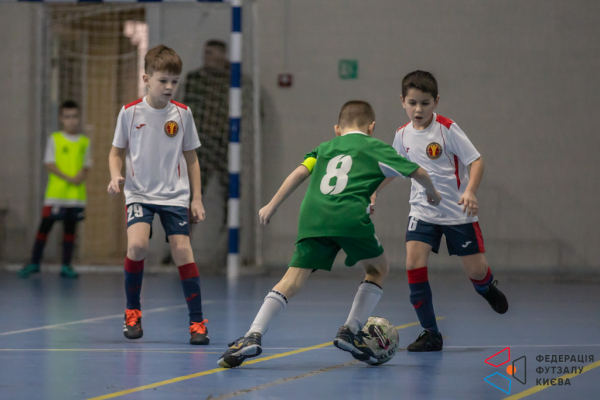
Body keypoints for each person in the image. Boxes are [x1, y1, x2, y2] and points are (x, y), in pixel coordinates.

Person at [217, 100, 441, 368]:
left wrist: (272, 205)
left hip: (313, 216)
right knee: (378, 269)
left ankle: (252, 334)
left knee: (292, 279)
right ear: (371, 127)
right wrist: (432, 193)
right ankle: (350, 330)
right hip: (349, 217)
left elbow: (298, 174)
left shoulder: (324, 148)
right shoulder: (376, 147)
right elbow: (418, 171)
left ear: (337, 129)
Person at [373, 70, 508, 352]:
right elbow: (393, 169)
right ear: (402, 101)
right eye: (412, 103)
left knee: (477, 271)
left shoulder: (447, 129)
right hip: (422, 211)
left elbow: (476, 161)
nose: (418, 109)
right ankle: (431, 333)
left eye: (425, 103)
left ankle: (485, 287)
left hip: (457, 212)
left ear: (436, 101)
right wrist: (373, 191)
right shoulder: (402, 134)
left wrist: (470, 191)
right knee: (413, 264)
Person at [107, 45, 209, 345]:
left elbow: (192, 158)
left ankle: (197, 322)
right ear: (146, 79)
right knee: (137, 246)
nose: (169, 86)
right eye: (163, 80)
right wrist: (115, 176)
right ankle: (132, 311)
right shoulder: (129, 113)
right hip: (139, 193)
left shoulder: (183, 114)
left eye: (174, 81)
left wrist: (196, 198)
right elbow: (116, 152)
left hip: (174, 196)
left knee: (183, 252)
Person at [18, 100, 91, 279]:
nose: (71, 120)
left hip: (76, 196)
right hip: (56, 195)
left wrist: (80, 175)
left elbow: (87, 164)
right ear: (61, 119)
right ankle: (34, 262)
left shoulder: (84, 141)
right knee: (45, 227)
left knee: (70, 230)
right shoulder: (55, 139)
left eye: (74, 116)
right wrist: (69, 178)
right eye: (67, 117)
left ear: (79, 117)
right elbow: (49, 163)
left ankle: (66, 265)